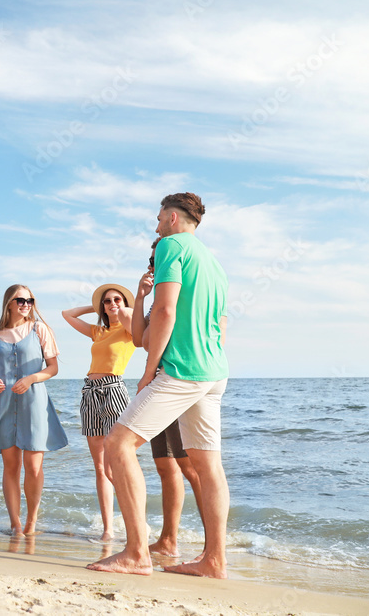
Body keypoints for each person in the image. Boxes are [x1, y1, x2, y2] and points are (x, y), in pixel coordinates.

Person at [88, 192, 229, 579]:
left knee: (118, 445)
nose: (155, 226)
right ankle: (215, 561)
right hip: (214, 371)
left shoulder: (170, 245)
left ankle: (136, 553)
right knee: (208, 465)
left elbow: (165, 311)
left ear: (170, 218)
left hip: (181, 369)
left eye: (157, 219)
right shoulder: (213, 262)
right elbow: (220, 323)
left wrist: (150, 371)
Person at [0, 284, 67, 536]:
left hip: (34, 402)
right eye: (21, 300)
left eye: (30, 300)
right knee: (10, 467)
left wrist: (32, 378)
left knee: (34, 466)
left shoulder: (40, 329)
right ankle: (15, 524)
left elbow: (53, 367)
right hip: (2, 404)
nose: (26, 304)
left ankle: (31, 521)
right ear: (9, 304)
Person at [131, 238, 204, 558]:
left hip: (175, 381)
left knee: (191, 467)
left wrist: (149, 371)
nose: (152, 266)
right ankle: (169, 539)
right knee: (166, 466)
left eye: (155, 261)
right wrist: (139, 296)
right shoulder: (157, 298)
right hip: (164, 380)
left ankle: (211, 545)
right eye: (149, 262)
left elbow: (151, 339)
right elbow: (138, 338)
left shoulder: (182, 293)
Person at [61, 284, 136, 542]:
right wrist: (96, 307)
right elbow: (67, 314)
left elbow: (140, 325)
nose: (112, 303)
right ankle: (108, 530)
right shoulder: (99, 331)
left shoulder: (129, 329)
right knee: (100, 469)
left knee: (115, 466)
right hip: (90, 392)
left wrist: (123, 308)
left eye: (117, 299)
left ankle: (136, 524)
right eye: (107, 301)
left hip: (114, 392)